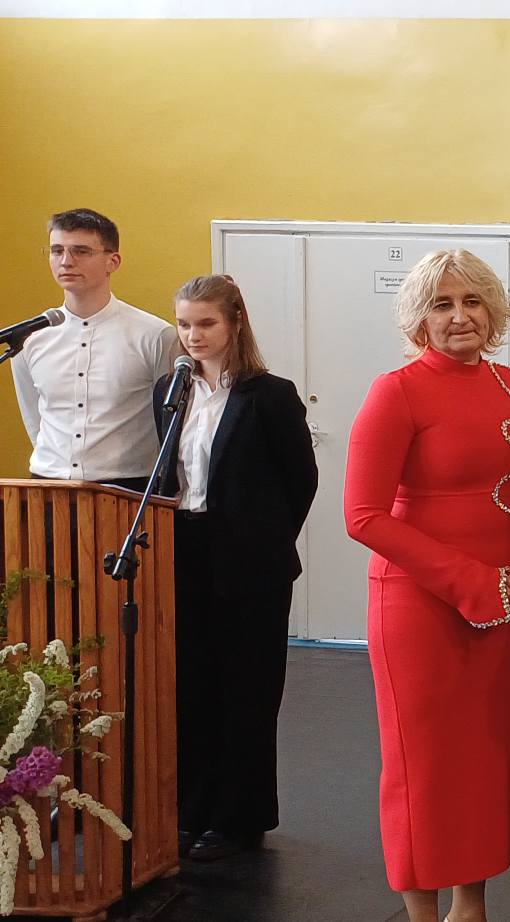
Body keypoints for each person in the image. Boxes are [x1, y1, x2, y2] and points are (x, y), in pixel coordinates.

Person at [343, 249, 510, 922]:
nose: (460, 316)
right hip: (419, 606)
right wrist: (469, 581)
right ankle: (421, 914)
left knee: (489, 757)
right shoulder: (396, 391)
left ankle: (472, 905)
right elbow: (363, 515)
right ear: (419, 319)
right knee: (423, 765)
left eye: (472, 301)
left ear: (493, 310)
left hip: (507, 603)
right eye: (442, 304)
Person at [151, 275, 317, 861]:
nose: (193, 336)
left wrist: (264, 541)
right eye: (184, 324)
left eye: (206, 323)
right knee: (192, 685)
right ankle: (193, 810)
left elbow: (301, 480)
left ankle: (240, 818)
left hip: (251, 562)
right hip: (186, 549)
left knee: (248, 691)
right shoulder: (170, 391)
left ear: (235, 323)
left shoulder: (269, 395)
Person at [12, 208, 179, 488]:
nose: (66, 261)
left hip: (127, 486)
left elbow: (169, 419)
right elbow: (34, 419)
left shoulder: (155, 335)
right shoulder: (29, 338)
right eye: (56, 251)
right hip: (48, 484)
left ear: (112, 261)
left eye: (81, 251)